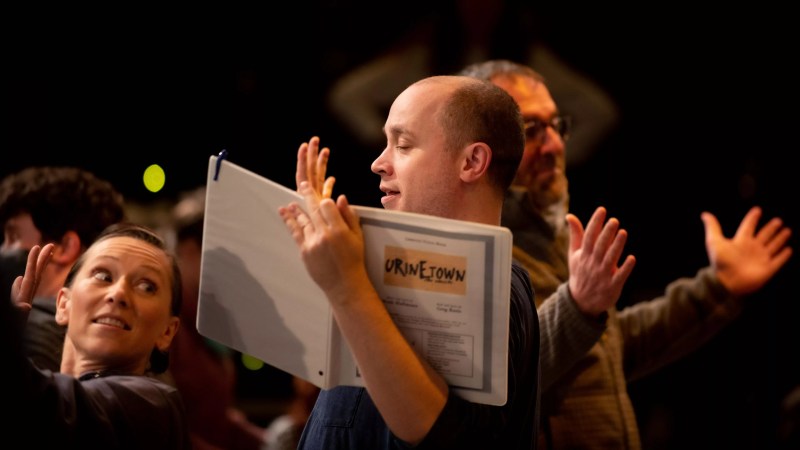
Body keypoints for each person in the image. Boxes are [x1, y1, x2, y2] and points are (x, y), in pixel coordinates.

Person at [459, 59, 794, 450]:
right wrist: (577, 307)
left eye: (556, 126)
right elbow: (496, 381)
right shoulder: (471, 254)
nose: (554, 146)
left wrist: (719, 288)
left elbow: (610, 350)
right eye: (531, 129)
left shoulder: (551, 237)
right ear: (476, 152)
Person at [278, 76, 540, 449]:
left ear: (472, 161)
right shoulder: (374, 274)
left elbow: (446, 439)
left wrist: (346, 287)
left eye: (402, 145)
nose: (378, 163)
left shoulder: (494, 288)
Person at [7, 222, 191, 448]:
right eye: (103, 276)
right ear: (63, 304)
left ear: (167, 331)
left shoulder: (152, 405)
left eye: (146, 287)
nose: (119, 293)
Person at [167, 189, 270, 450]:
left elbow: (217, 415)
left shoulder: (212, 320)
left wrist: (271, 442)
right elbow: (163, 431)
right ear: (190, 251)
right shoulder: (166, 326)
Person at [0, 166, 125, 372]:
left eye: (14, 236)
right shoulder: (125, 339)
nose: (4, 249)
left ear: (65, 247)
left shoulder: (29, 333)